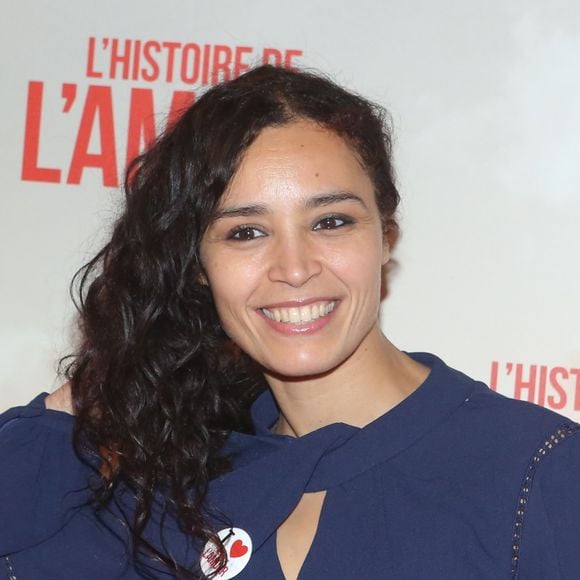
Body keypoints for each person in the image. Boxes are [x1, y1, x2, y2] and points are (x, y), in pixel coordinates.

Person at [0, 65, 578, 580]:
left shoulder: (538, 474)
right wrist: (121, 377)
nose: (294, 269)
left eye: (330, 221)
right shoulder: (169, 494)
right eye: (245, 232)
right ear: (199, 268)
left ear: (386, 236)